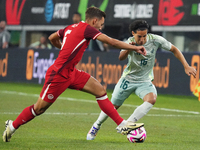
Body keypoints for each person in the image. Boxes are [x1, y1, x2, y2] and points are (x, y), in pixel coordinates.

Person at [2, 7, 147, 142]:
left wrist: (63, 47)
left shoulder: (71, 27)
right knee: (39, 109)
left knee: (100, 90)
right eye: (101, 25)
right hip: (58, 75)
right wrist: (134, 47)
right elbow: (110, 41)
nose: (101, 28)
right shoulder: (87, 29)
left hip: (72, 72)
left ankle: (122, 124)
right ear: (94, 21)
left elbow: (52, 37)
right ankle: (12, 126)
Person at [86, 20, 197, 140]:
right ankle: (96, 125)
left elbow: (174, 49)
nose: (142, 39)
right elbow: (121, 57)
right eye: (139, 36)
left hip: (144, 81)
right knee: (112, 106)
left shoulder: (155, 40)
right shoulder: (129, 42)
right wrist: (131, 48)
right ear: (133, 33)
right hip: (128, 80)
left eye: (144, 36)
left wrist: (186, 66)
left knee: (152, 99)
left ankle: (127, 124)